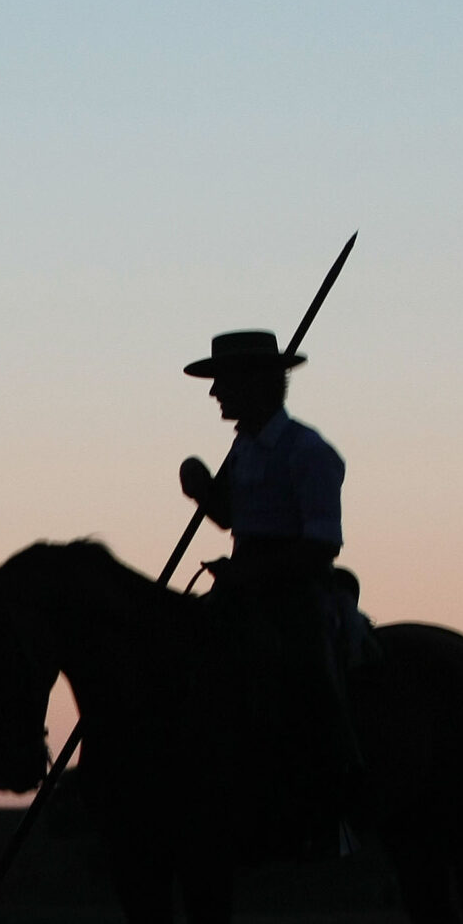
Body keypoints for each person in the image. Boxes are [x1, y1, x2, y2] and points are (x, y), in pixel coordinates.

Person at [174, 330, 363, 846]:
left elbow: (322, 543)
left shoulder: (309, 452)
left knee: (306, 674)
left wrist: (249, 575)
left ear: (255, 384)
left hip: (296, 590)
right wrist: (203, 493)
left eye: (224, 383)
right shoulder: (246, 448)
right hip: (243, 584)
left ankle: (337, 792)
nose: (215, 394)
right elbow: (237, 517)